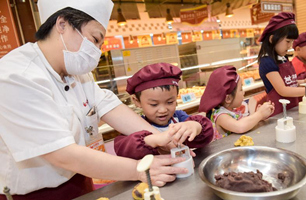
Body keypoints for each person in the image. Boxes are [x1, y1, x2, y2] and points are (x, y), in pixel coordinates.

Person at [0, 1, 188, 199]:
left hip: (82, 178)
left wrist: (161, 137)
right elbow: (61, 154)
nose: (97, 51)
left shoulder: (75, 71)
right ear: (62, 24)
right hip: (34, 194)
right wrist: (139, 169)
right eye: (95, 39)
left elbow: (109, 107)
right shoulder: (15, 76)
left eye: (100, 44)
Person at [114, 63, 213, 159]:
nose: (163, 110)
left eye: (170, 102)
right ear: (137, 101)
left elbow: (205, 131)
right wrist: (152, 140)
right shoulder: (134, 125)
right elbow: (122, 147)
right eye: (154, 104)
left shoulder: (179, 118)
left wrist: (195, 126)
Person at [258, 12, 306, 117]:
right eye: (288, 41)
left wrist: (304, 82)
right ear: (272, 39)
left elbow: (289, 82)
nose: (290, 46)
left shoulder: (283, 57)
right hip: (278, 113)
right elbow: (283, 89)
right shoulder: (267, 62)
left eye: (292, 42)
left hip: (292, 109)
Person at [198, 66, 275, 140]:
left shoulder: (231, 111)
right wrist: (259, 114)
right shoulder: (221, 116)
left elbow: (244, 124)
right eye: (241, 89)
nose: (243, 92)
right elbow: (240, 127)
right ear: (228, 98)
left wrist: (259, 116)